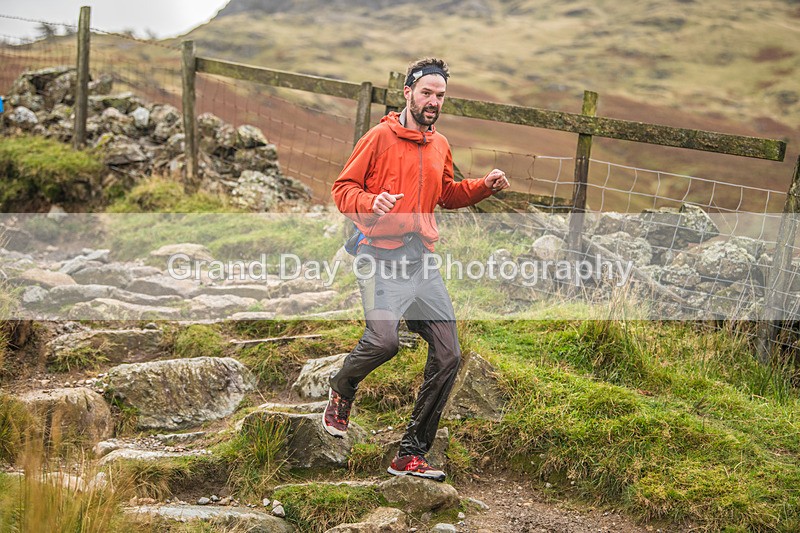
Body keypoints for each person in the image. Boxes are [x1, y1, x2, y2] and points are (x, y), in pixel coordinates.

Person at [323, 57, 509, 482]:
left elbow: (446, 193)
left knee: (449, 353)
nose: (433, 101)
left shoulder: (440, 144)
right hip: (379, 256)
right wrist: (372, 202)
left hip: (421, 261)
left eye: (440, 95)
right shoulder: (379, 137)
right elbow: (341, 190)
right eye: (426, 92)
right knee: (384, 342)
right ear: (407, 93)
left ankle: (409, 454)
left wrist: (483, 186)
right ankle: (342, 388)